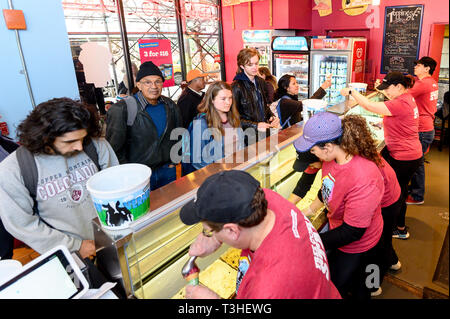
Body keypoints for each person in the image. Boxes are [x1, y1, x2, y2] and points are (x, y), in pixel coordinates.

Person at [179, 170, 341, 299]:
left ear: (232, 230)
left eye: (208, 230)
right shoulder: (268, 200)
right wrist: (213, 237)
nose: (207, 234)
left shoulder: (268, 288)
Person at [0, 98, 119, 258]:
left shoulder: (96, 146)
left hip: (111, 238)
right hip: (65, 253)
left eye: (82, 139)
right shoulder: (14, 169)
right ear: (45, 137)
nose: (79, 147)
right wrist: (75, 246)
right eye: (70, 141)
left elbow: (116, 188)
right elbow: (23, 224)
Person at [296, 113, 384, 300]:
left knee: (354, 286)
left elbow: (353, 231)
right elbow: (327, 188)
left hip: (360, 244)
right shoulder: (331, 160)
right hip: (339, 232)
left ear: (327, 147)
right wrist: (307, 211)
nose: (313, 154)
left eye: (313, 151)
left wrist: (312, 241)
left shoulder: (364, 178)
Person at [341, 72, 422, 240]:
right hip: (410, 153)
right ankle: (399, 225)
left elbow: (369, 106)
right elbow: (401, 119)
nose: (386, 93)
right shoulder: (407, 99)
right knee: (401, 189)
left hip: (404, 156)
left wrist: (352, 92)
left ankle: (398, 228)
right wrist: (383, 123)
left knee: (396, 193)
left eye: (388, 89)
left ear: (399, 87)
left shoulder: (400, 102)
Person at [106, 61, 183, 190]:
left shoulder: (170, 105)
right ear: (139, 85)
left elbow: (179, 134)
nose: (154, 86)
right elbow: (115, 149)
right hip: (138, 176)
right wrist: (128, 175)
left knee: (170, 207)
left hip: (167, 170)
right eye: (147, 82)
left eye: (158, 81)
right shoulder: (123, 109)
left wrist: (175, 161)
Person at [181, 81, 243, 175]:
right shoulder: (201, 124)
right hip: (218, 176)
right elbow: (198, 161)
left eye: (230, 98)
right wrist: (221, 173)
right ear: (212, 100)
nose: (228, 102)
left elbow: (241, 145)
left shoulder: (234, 118)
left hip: (236, 170)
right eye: (223, 99)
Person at [407, 57, 439, 205]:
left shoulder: (422, 84)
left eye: (419, 65)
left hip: (421, 129)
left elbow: (403, 97)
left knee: (417, 163)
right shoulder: (432, 82)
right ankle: (414, 189)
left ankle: (417, 196)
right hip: (427, 128)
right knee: (417, 162)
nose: (415, 67)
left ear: (427, 68)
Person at [232, 48, 279, 142]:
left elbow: (264, 106)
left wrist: (272, 116)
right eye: (250, 65)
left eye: (256, 63)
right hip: (247, 136)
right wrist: (256, 125)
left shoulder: (261, 82)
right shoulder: (236, 87)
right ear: (242, 66)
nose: (255, 67)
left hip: (264, 132)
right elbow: (233, 118)